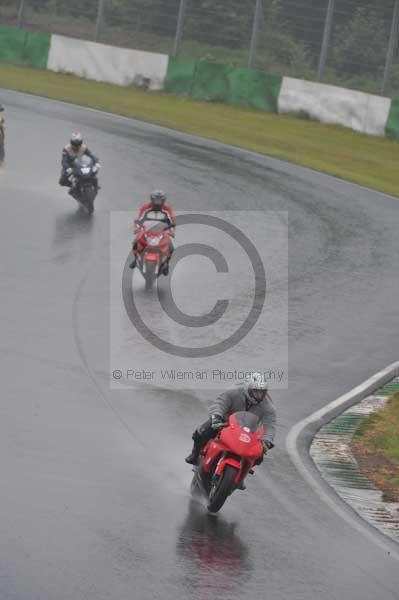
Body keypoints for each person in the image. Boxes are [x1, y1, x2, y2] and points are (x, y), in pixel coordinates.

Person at [185, 372, 276, 471]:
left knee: (259, 456)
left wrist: (267, 440)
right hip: (224, 423)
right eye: (256, 391)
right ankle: (195, 455)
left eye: (262, 392)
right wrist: (216, 417)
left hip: (248, 431)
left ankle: (243, 471)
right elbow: (219, 404)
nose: (259, 395)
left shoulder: (268, 407)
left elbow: (270, 425)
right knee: (202, 432)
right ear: (248, 389)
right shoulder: (233, 392)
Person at [129, 190, 176, 274]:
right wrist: (137, 228)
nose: (158, 203)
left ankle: (166, 264)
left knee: (171, 248)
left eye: (160, 200)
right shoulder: (145, 207)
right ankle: (135, 259)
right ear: (152, 199)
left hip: (162, 231)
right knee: (135, 243)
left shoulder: (167, 209)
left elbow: (172, 221)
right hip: (147, 230)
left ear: (163, 201)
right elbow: (139, 218)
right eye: (156, 200)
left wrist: (172, 231)